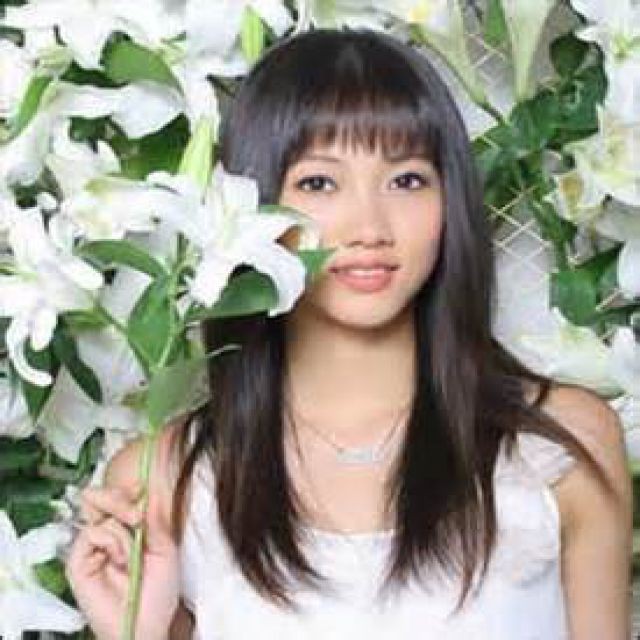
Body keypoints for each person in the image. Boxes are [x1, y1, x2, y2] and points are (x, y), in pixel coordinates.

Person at [65, 28, 633, 640]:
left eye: (406, 180)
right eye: (319, 182)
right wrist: (139, 633)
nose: (370, 226)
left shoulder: (563, 444)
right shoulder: (161, 479)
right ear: (252, 204)